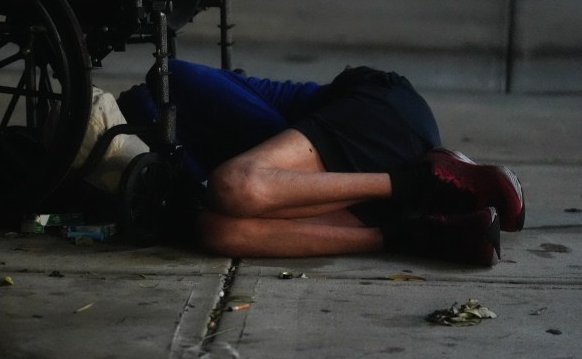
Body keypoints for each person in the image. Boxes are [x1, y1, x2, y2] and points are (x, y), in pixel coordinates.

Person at [117, 59, 525, 266]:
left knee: (234, 187)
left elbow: (170, 75)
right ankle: (417, 232)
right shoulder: (163, 171)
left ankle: (419, 184)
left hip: (380, 117)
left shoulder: (162, 89)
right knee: (216, 231)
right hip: (356, 189)